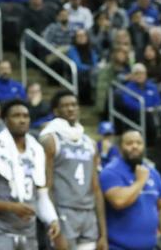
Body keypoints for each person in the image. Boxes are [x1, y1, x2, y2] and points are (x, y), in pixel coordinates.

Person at [0, 99, 61, 250]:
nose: (22, 120)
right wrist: (11, 207)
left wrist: (52, 219)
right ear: (5, 121)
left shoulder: (37, 152)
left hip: (29, 234)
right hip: (1, 232)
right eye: (17, 116)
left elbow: (41, 195)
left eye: (26, 116)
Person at [39, 91, 107, 250]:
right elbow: (45, 187)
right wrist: (52, 220)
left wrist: (103, 233)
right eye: (65, 106)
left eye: (74, 105)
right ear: (56, 111)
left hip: (88, 213)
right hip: (63, 211)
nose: (70, 109)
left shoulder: (89, 143)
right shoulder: (50, 139)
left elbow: (96, 188)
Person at [100, 130, 161, 250]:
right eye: (129, 143)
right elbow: (119, 202)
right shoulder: (110, 172)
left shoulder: (153, 172)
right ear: (120, 147)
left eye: (139, 143)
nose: (135, 146)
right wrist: (140, 181)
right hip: (117, 247)